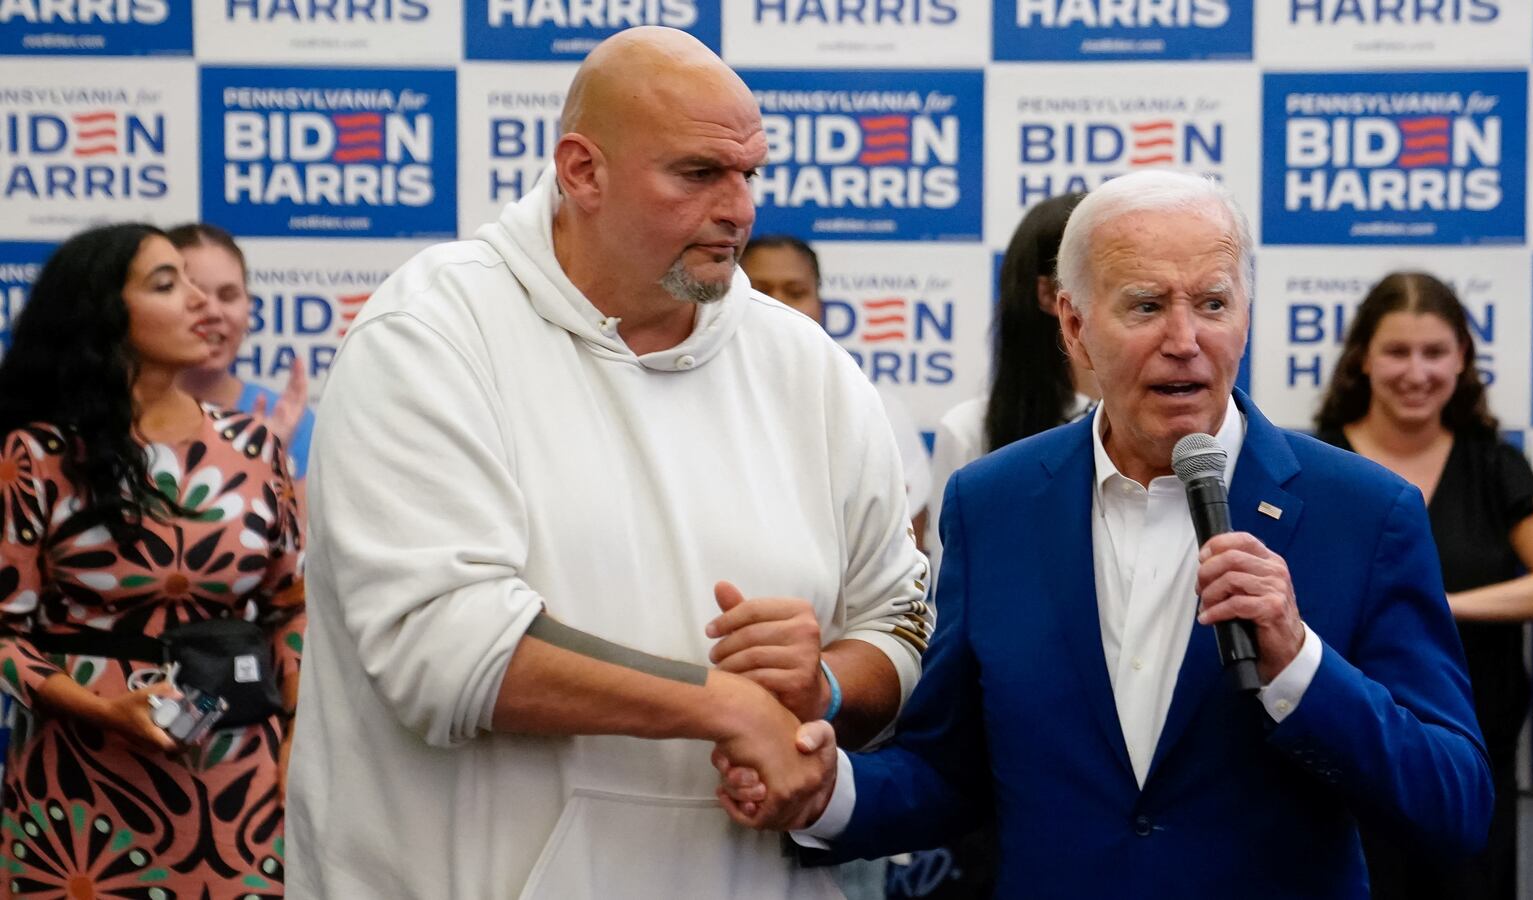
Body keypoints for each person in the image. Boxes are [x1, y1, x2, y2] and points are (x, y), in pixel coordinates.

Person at [718, 170, 1495, 898]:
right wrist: (828, 790)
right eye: (1147, 306)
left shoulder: (1363, 512)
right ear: (1074, 324)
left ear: (1247, 318)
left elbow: (1454, 803)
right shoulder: (993, 504)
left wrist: (1301, 666)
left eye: (1214, 304)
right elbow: (947, 772)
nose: (1185, 338)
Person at [285, 26, 928, 900]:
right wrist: (724, 702)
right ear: (582, 171)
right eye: (700, 173)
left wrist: (818, 686)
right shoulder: (432, 334)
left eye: (751, 174)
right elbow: (446, 647)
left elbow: (899, 626)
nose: (739, 208)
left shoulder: (807, 365)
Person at [0, 223, 304, 897]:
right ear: (105, 313)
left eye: (205, 286)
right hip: (79, 797)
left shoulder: (255, 446)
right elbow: (4, 636)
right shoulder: (38, 456)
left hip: (237, 787)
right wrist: (103, 710)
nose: (203, 302)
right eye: (169, 285)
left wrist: (297, 735)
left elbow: (292, 608)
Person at [1312, 272, 1533, 900]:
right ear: (1361, 359)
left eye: (1435, 352)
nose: (1417, 372)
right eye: (1397, 351)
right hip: (1343, 767)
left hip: (1469, 769)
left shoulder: (1493, 465)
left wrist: (1437, 605)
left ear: (1463, 359)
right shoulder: (1318, 467)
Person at [925, 192, 1095, 584]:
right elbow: (948, 588)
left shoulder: (1164, 422)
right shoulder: (970, 429)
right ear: (1052, 296)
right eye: (1106, 273)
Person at [743, 234, 932, 548]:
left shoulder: (876, 407)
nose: (777, 304)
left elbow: (906, 553)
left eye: (795, 292)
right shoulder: (694, 399)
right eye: (759, 291)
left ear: (821, 305)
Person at [167, 223, 314, 489]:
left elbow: (303, 529)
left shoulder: (293, 422)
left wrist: (271, 464)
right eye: (194, 294)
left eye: (228, 295)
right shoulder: (117, 416)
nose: (212, 311)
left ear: (248, 306)